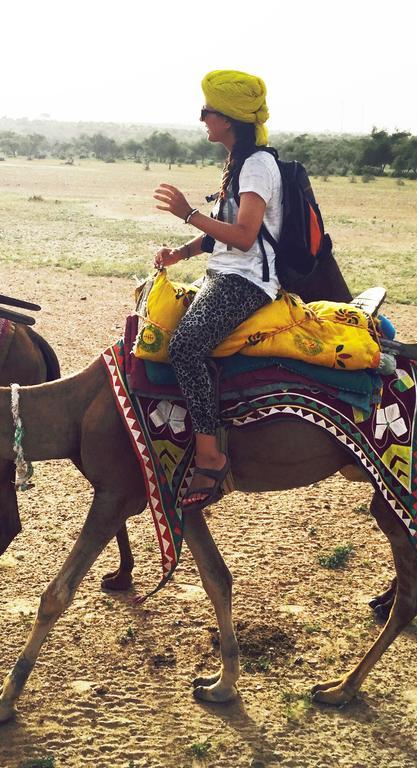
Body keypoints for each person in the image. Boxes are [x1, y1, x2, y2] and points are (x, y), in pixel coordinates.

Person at [152, 69, 282, 512]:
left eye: (207, 110)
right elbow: (222, 234)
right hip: (223, 274)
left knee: (186, 346)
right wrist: (182, 252)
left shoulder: (259, 166)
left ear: (227, 118)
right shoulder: (239, 163)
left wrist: (188, 213)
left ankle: (211, 456)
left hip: (246, 282)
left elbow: (244, 236)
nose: (202, 117)